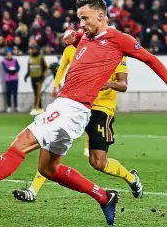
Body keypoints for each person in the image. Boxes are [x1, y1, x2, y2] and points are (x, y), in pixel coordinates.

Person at [0, 0, 167, 226]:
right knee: (48, 168)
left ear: (101, 16)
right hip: (70, 108)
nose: (81, 23)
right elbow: (79, 39)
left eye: (85, 18)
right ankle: (104, 197)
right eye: (79, 19)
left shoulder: (119, 40)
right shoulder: (85, 37)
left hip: (72, 107)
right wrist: (72, 36)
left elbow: (151, 59)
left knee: (21, 142)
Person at [13, 52, 144, 202]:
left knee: (98, 162)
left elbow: (123, 84)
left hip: (101, 110)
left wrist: (108, 84)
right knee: (51, 145)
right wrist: (59, 86)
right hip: (77, 106)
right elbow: (65, 70)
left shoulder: (116, 54)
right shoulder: (80, 49)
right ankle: (33, 191)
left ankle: (131, 177)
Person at [24, 45, 48, 116]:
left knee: (37, 93)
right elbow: (29, 68)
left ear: (37, 50)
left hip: (39, 78)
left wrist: (42, 77)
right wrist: (26, 75)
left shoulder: (41, 57)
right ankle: (40, 108)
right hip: (32, 78)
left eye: (35, 49)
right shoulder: (30, 58)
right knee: (36, 93)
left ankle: (36, 108)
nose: (33, 51)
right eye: (32, 49)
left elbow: (46, 68)